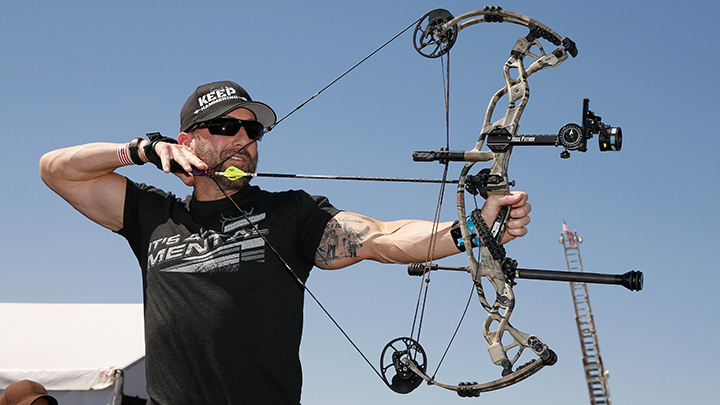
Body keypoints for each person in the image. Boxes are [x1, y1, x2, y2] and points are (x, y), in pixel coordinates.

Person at [39, 80, 531, 404]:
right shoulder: (152, 215)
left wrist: (470, 231)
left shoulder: (289, 211)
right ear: (187, 142)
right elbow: (56, 171)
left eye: (253, 131)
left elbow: (382, 238)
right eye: (227, 127)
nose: (245, 140)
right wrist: (138, 150)